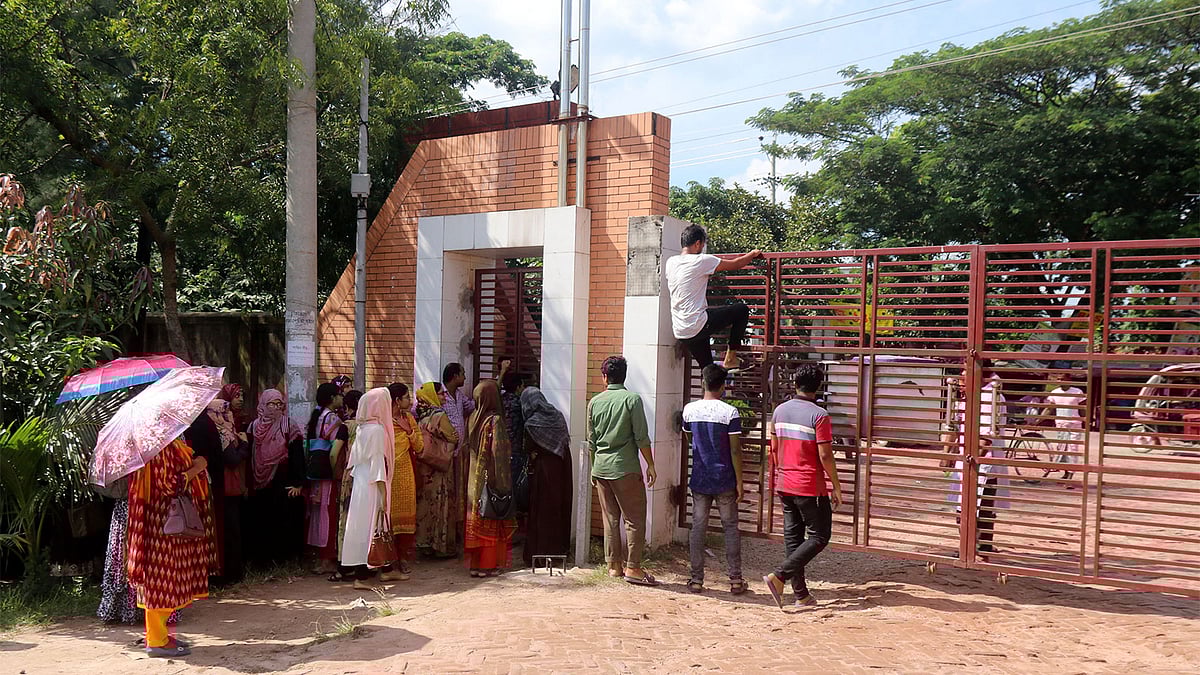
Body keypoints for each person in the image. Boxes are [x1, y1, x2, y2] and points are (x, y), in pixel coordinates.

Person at [126, 434, 217, 658]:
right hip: (162, 524)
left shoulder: (164, 444)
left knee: (170, 579)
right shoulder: (156, 447)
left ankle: (160, 635)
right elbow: (170, 485)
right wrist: (197, 467)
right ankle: (156, 641)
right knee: (161, 581)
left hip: (168, 523)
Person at [763, 363, 841, 609]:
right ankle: (779, 576)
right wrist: (836, 485)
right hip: (809, 486)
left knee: (793, 540)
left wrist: (780, 474)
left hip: (784, 483)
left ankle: (801, 595)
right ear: (818, 386)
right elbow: (825, 455)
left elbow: (773, 449)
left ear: (795, 383)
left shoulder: (779, 411)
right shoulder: (819, 415)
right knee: (820, 536)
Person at [587, 355, 658, 586]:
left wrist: (593, 468)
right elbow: (641, 437)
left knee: (610, 519)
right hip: (625, 468)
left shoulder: (594, 402)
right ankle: (633, 568)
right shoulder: (632, 400)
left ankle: (613, 566)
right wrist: (650, 464)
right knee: (634, 519)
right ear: (624, 376)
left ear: (604, 377)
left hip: (601, 468)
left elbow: (591, 441)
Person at [682, 364, 746, 594]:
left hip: (700, 477)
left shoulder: (689, 410)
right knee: (730, 527)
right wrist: (740, 481)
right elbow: (735, 450)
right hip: (724, 478)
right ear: (723, 386)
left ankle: (696, 579)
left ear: (703, 383)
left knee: (698, 528)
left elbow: (690, 438)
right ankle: (736, 580)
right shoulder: (730, 413)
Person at [665, 224, 763, 371]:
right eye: (703, 245)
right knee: (741, 310)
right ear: (697, 243)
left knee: (709, 371)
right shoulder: (701, 260)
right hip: (697, 324)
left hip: (681, 330)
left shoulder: (671, 262)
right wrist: (752, 254)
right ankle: (731, 357)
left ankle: (711, 384)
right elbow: (735, 264)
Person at [942, 366, 1010, 559]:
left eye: (965, 371)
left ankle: (974, 549)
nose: (961, 376)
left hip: (981, 463)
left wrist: (973, 464)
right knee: (970, 506)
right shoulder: (968, 396)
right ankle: (976, 547)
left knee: (977, 507)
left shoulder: (990, 396)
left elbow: (987, 437)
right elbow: (955, 425)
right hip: (967, 460)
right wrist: (946, 454)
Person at [340, 388, 404, 589]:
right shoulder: (376, 430)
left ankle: (385, 570)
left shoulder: (362, 428)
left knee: (364, 528)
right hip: (372, 487)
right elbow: (378, 466)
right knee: (371, 528)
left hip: (362, 485)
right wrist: (383, 495)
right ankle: (363, 577)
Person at [245, 389, 306, 566]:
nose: (276, 408)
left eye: (279, 404)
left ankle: (283, 559)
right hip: (259, 483)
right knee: (262, 519)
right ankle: (263, 560)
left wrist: (299, 483)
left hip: (283, 481)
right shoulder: (253, 427)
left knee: (283, 519)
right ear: (263, 405)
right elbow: (248, 456)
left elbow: (297, 456)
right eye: (272, 404)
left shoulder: (289, 426)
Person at [464, 379, 518, 576]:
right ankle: (487, 566)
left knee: (476, 520)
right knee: (491, 519)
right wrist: (503, 482)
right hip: (491, 479)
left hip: (473, 481)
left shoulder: (472, 418)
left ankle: (475, 565)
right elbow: (499, 453)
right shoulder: (495, 421)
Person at [519, 386, 573, 567]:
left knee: (541, 512)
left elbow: (528, 448)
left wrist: (534, 454)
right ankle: (558, 551)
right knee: (559, 507)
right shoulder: (558, 416)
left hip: (544, 471)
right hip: (563, 467)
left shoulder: (532, 424)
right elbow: (564, 441)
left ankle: (540, 555)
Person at [205, 395, 249, 584]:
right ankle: (230, 573)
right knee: (229, 529)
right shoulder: (221, 433)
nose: (227, 415)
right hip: (225, 487)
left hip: (218, 487)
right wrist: (245, 444)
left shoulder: (222, 431)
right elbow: (232, 460)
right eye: (223, 412)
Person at [413, 382, 461, 557]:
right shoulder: (439, 416)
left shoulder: (420, 415)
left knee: (424, 504)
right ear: (433, 396)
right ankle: (439, 546)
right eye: (440, 393)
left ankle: (423, 542)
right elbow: (453, 437)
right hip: (439, 466)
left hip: (424, 465)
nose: (444, 396)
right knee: (441, 502)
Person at [305, 383, 349, 574]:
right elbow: (334, 450)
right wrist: (336, 470)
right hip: (327, 474)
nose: (342, 398)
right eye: (339, 395)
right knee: (328, 515)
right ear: (332, 398)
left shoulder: (318, 416)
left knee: (318, 515)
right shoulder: (332, 418)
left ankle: (320, 557)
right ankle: (327, 558)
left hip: (316, 472)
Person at [388, 383, 422, 579]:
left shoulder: (409, 418)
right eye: (407, 397)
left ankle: (403, 558)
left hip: (406, 474)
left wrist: (408, 430)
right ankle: (388, 560)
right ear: (397, 400)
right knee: (388, 519)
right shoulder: (382, 420)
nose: (411, 400)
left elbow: (420, 446)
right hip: (387, 474)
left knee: (406, 517)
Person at [441, 362, 475, 551]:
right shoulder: (439, 394)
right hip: (444, 454)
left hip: (459, 454)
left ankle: (456, 533)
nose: (465, 377)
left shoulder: (460, 396)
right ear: (455, 376)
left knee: (458, 493)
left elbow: (473, 406)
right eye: (463, 374)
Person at [1045, 378, 1085, 479]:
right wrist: (1037, 420)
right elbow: (1049, 408)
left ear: (1068, 380)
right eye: (1058, 379)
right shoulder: (1055, 392)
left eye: (1062, 379)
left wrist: (1085, 420)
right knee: (1062, 449)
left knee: (1072, 449)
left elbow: (1083, 408)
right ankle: (1066, 472)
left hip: (1074, 424)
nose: (1059, 381)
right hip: (1061, 425)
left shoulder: (1077, 392)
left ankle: (1070, 475)